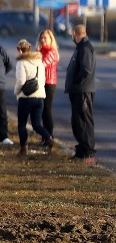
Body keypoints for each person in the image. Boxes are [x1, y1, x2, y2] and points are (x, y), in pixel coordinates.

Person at [13, 39, 53, 156]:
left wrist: (16, 92)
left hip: (26, 97)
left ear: (20, 50)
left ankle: (23, 148)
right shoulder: (39, 62)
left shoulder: (21, 63)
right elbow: (43, 80)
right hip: (40, 97)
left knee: (22, 124)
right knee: (36, 124)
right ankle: (48, 137)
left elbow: (21, 81)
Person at [65, 24, 96, 162]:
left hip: (83, 90)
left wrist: (76, 81)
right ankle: (81, 151)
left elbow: (86, 71)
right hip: (77, 91)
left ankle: (88, 152)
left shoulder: (85, 48)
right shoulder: (80, 47)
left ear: (75, 34)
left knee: (84, 121)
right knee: (77, 122)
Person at [37, 28, 60, 141]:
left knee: (47, 109)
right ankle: (45, 136)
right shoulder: (41, 50)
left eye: (45, 37)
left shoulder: (52, 51)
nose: (43, 40)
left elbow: (42, 64)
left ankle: (49, 136)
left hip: (49, 82)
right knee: (42, 110)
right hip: (41, 82)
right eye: (41, 37)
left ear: (51, 39)